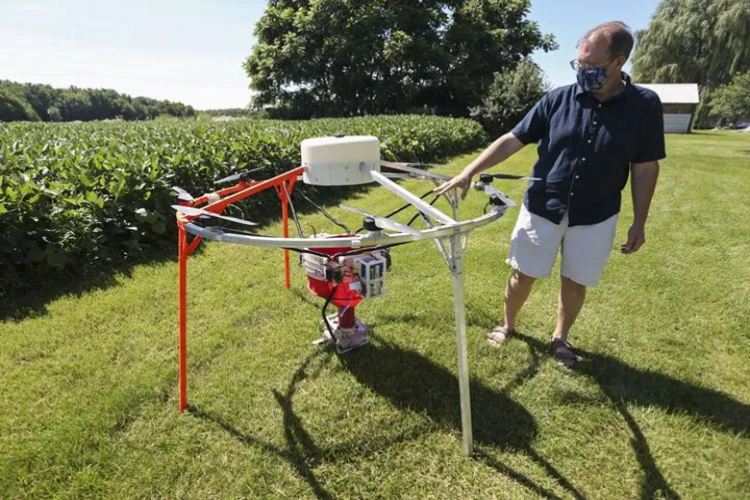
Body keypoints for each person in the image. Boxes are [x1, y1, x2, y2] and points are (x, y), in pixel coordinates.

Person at [435, 21, 665, 368]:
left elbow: (645, 167)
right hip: (543, 206)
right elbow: (514, 138)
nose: (583, 72)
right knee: (523, 273)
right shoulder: (558, 98)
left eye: (592, 66)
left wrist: (640, 222)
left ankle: (560, 337)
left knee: (575, 281)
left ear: (619, 62)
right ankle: (507, 325)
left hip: (596, 213)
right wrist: (469, 170)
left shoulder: (645, 105)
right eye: (579, 64)